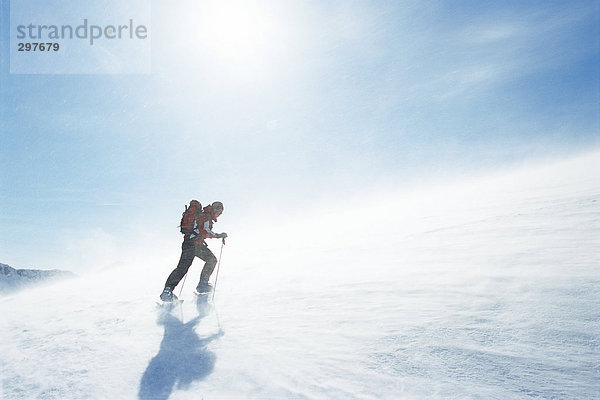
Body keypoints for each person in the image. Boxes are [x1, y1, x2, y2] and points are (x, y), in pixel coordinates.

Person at [160, 201, 227, 302]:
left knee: (182, 268)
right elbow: (204, 231)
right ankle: (202, 284)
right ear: (216, 209)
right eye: (220, 212)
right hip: (194, 244)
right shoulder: (206, 216)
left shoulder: (203, 215)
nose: (220, 214)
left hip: (189, 243)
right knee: (211, 260)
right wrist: (218, 235)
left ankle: (167, 291)